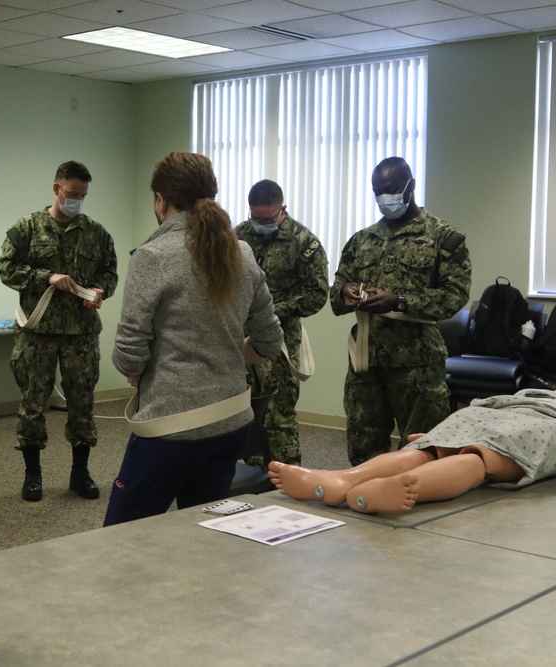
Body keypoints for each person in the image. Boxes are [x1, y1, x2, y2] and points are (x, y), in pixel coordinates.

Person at [104, 152, 284, 526]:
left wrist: (138, 369)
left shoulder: (152, 256)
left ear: (160, 199)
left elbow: (128, 355)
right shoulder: (243, 251)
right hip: (232, 422)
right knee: (203, 531)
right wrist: (227, 354)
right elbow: (269, 340)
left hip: (170, 428)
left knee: (121, 537)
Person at [331, 157, 471, 466]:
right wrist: (346, 291)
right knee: (364, 451)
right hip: (367, 362)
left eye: (391, 189)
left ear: (411, 186)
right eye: (378, 191)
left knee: (421, 451)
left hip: (417, 364)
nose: (385, 198)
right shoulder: (362, 240)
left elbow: (455, 296)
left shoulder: (443, 238)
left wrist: (399, 302)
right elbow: (337, 290)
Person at [0, 161, 118, 502]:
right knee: (33, 404)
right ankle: (33, 475)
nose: (77, 200)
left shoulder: (96, 232)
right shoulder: (27, 228)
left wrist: (99, 290)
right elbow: (6, 269)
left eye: (83, 195)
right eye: (71, 194)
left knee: (82, 403)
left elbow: (110, 271)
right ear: (56, 189)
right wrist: (45, 277)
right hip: (38, 333)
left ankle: (80, 473)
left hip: (80, 334)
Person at [269, 389, 556, 514]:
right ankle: (374, 485)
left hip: (496, 409)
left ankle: (345, 479)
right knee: (477, 458)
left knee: (430, 449)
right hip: (523, 415)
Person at [233, 179, 327, 466]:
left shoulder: (303, 242)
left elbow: (317, 294)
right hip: (241, 339)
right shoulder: (237, 236)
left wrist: (270, 310)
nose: (261, 223)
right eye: (256, 217)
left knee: (279, 411)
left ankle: (287, 475)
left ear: (282, 209)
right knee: (241, 408)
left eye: (268, 218)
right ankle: (248, 471)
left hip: (281, 341)